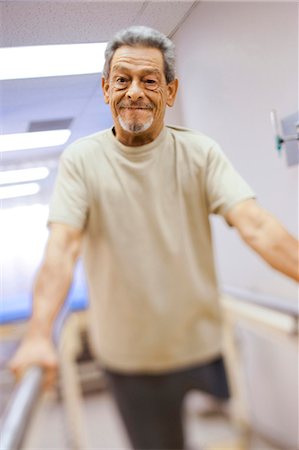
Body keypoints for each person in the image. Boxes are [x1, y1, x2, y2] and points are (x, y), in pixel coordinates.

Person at [10, 26, 298, 450]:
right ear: (106, 88)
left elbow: (255, 224)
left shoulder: (200, 152)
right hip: (129, 358)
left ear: (170, 91)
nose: (134, 92)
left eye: (149, 80)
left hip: (201, 342)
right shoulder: (82, 161)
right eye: (122, 79)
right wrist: (37, 335)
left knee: (231, 428)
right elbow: (62, 248)